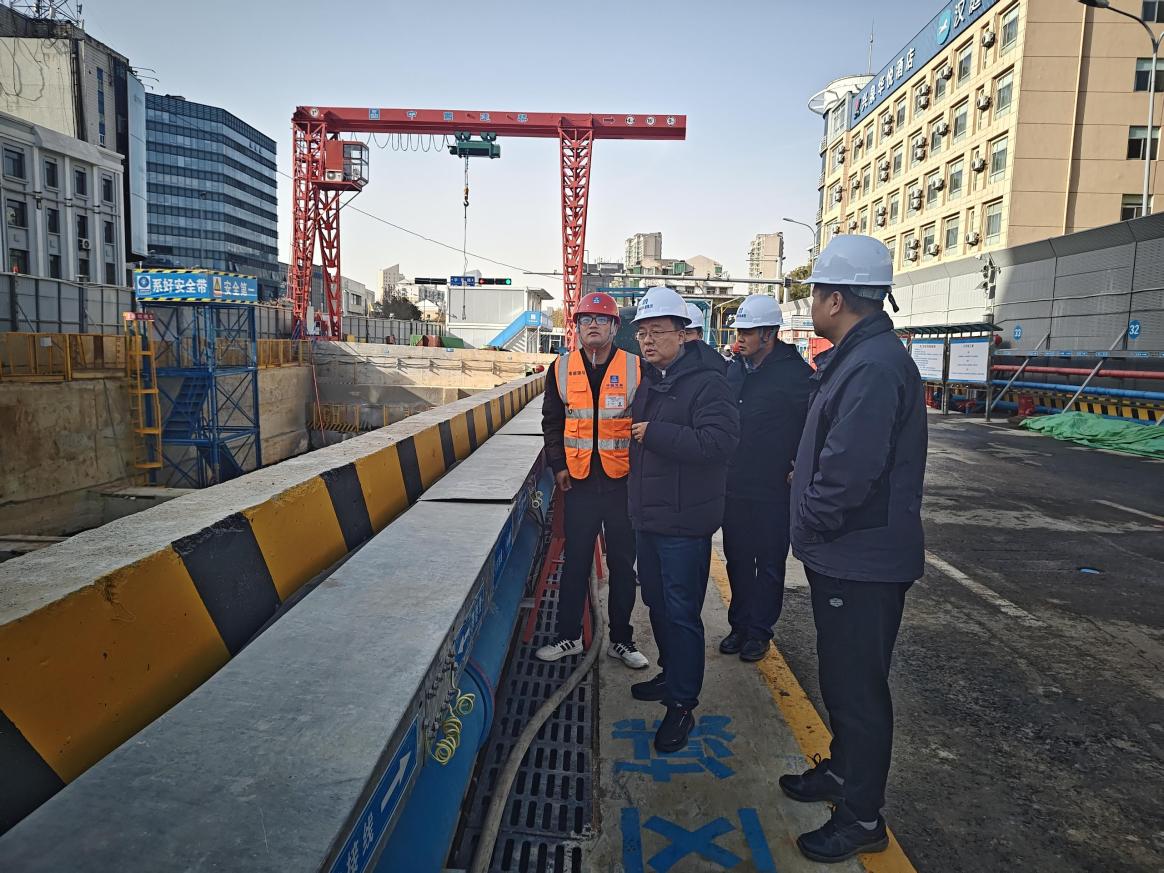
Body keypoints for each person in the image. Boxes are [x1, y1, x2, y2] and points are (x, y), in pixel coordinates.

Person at [782, 235, 927, 863]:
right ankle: (843, 773)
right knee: (842, 679)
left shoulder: (872, 365)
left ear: (836, 299)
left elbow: (850, 470)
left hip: (860, 558)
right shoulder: (860, 356)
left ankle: (862, 816)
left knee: (860, 692)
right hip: (848, 554)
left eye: (816, 293)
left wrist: (810, 521)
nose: (812, 303)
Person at [626, 286, 739, 752]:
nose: (647, 341)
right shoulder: (652, 379)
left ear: (683, 333)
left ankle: (682, 704)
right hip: (650, 517)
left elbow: (719, 443)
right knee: (656, 602)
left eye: (657, 331)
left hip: (684, 523)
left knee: (682, 612)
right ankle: (670, 675)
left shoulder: (709, 383)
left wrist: (656, 433)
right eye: (642, 333)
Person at [538, 292, 649, 669]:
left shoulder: (636, 367)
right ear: (577, 328)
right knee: (575, 562)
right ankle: (568, 636)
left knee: (623, 564)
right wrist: (558, 466)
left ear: (616, 328)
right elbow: (552, 422)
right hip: (579, 482)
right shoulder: (560, 368)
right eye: (586, 320)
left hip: (622, 484)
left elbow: (647, 422)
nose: (593, 326)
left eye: (602, 320)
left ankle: (622, 640)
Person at [720, 295, 811, 662]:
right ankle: (739, 625)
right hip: (735, 483)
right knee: (738, 559)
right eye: (738, 331)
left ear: (769, 334)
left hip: (775, 486)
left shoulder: (796, 375)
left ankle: (760, 631)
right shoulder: (735, 369)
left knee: (770, 563)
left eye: (747, 332)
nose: (740, 338)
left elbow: (812, 426)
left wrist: (799, 465)